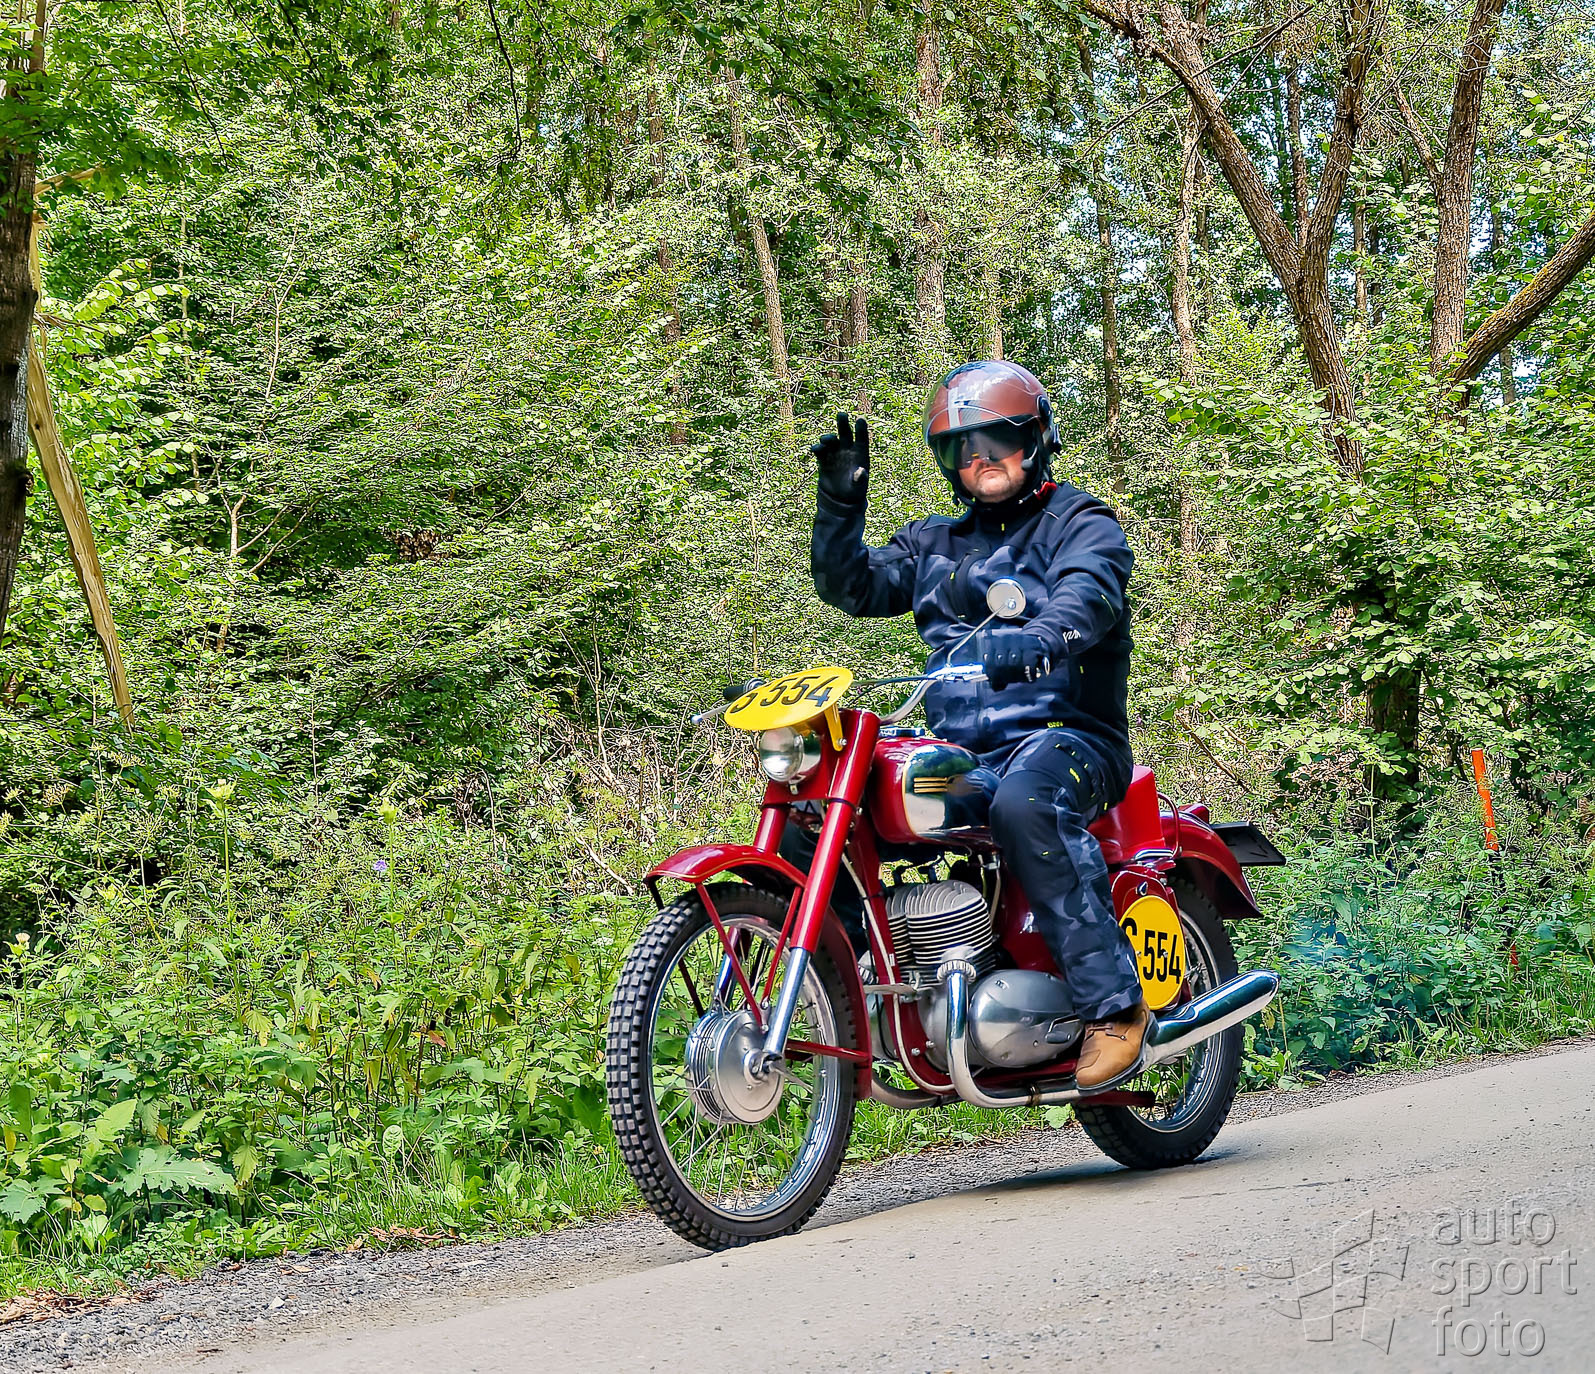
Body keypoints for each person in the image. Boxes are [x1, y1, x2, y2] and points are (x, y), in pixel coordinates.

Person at [797, 359, 1148, 1089]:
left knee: (1026, 805)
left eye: (997, 441)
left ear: (1036, 439)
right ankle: (846, 995)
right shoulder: (932, 544)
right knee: (824, 809)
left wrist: (1043, 637)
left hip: (1069, 737)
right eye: (963, 447)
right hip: (963, 752)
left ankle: (1114, 1007)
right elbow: (852, 586)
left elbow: (1089, 594)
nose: (981, 459)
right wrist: (839, 506)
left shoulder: (1080, 523)